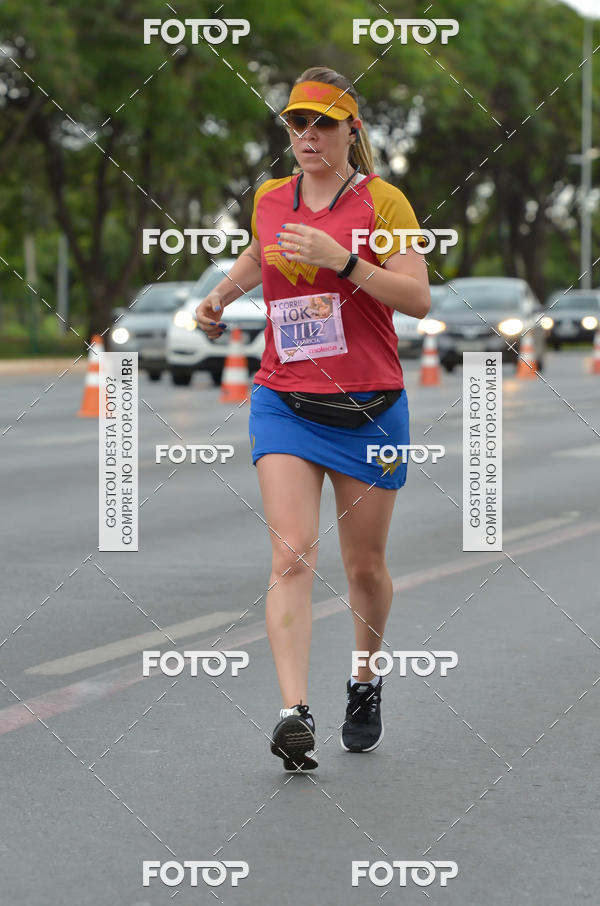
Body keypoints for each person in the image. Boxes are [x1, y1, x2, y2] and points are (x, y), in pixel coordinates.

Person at [195, 66, 431, 771]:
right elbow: (261, 250)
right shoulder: (271, 198)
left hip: (370, 409)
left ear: (351, 130)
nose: (307, 135)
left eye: (322, 123)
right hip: (284, 399)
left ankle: (364, 678)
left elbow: (417, 299)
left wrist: (344, 261)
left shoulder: (383, 203)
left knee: (365, 569)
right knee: (291, 552)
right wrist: (221, 296)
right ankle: (293, 713)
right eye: (296, 123)